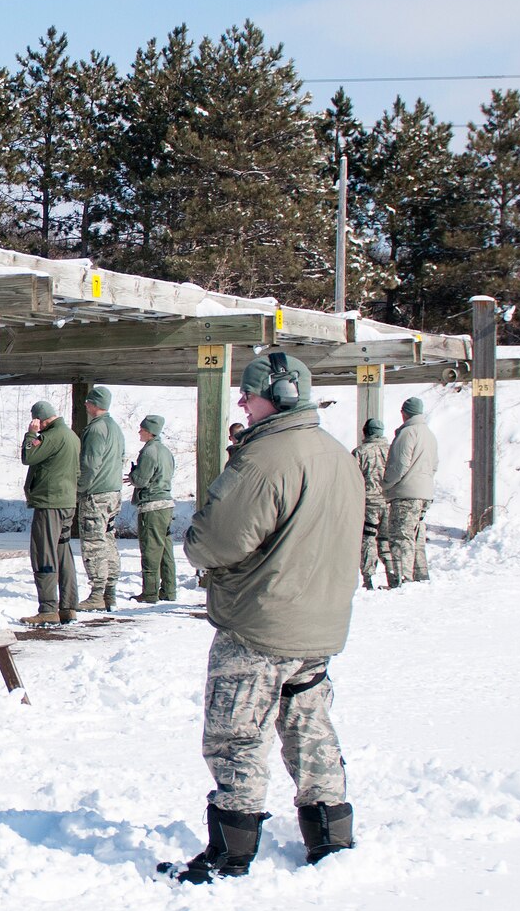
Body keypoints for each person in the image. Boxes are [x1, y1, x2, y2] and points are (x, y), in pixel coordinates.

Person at [165, 351, 363, 882]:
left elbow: (214, 542)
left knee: (235, 736)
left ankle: (230, 853)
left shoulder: (265, 458)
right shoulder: (338, 454)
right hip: (319, 626)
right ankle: (330, 837)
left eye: (248, 394)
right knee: (310, 731)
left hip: (261, 623)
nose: (242, 404)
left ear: (275, 396)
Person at [20, 400, 80, 626]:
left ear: (41, 420)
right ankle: (68, 606)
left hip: (49, 503)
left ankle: (47, 608)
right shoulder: (72, 436)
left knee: (43, 551)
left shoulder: (51, 437)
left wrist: (30, 435)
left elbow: (29, 457)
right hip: (67, 502)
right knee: (63, 552)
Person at [75, 385, 125, 611]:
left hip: (96, 494)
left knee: (94, 544)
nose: (85, 404)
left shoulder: (96, 430)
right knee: (108, 541)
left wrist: (80, 488)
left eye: (88, 401)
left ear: (94, 404)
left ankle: (97, 593)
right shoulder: (115, 428)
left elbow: (89, 464)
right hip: (113, 494)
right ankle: (110, 592)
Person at [381, 397, 437, 587]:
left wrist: (386, 484)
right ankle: (420, 575)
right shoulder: (429, 434)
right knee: (416, 536)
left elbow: (399, 465)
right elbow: (434, 465)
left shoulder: (407, 433)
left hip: (406, 494)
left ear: (405, 413)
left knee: (400, 537)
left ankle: (401, 579)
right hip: (424, 493)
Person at [130, 414, 177, 603]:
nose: (139, 432)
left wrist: (133, 475)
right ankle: (169, 590)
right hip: (166, 503)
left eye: (141, 429)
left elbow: (141, 479)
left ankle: (149, 593)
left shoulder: (149, 452)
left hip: (151, 505)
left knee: (150, 549)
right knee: (166, 550)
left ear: (149, 432)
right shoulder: (166, 451)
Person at [352, 418, 391, 589]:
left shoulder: (359, 452)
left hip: (368, 505)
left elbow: (351, 478)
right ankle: (393, 574)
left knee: (368, 540)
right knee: (386, 540)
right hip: (389, 502)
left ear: (366, 432)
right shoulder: (392, 451)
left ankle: (368, 578)